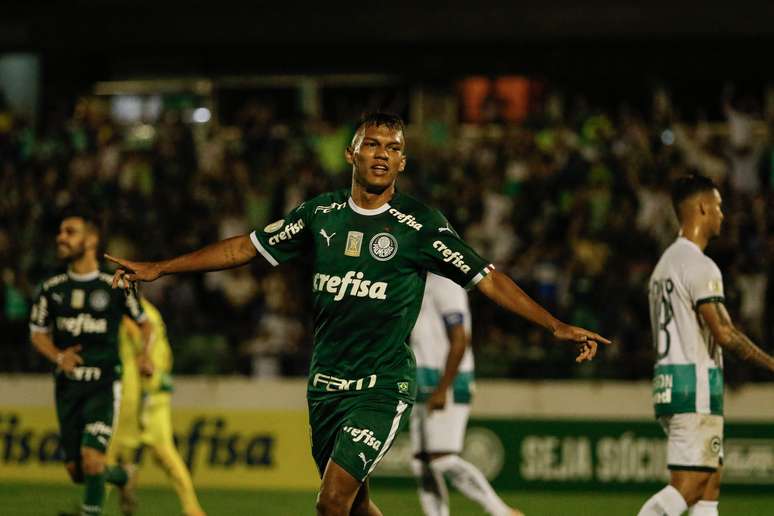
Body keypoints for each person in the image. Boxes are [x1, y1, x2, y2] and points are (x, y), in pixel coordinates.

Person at [105, 112, 609, 516]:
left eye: (393, 148)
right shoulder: (319, 216)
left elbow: (489, 278)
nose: (382, 154)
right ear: (352, 153)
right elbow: (244, 249)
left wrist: (556, 325)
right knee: (357, 505)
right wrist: (159, 268)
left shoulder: (420, 227)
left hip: (382, 384)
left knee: (331, 501)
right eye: (373, 144)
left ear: (403, 162)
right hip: (325, 385)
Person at [638, 174, 774, 516]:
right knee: (690, 486)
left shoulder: (664, 265)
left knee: (709, 487)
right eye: (718, 206)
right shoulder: (698, 265)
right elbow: (724, 333)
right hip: (693, 385)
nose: (722, 215)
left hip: (673, 383)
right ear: (702, 207)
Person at [29, 210, 152, 516]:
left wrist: (144, 353)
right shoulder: (51, 289)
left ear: (92, 239)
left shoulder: (115, 285)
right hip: (68, 386)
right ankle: (124, 476)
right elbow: (37, 332)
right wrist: (58, 356)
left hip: (104, 383)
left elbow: (144, 323)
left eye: (70, 232)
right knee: (79, 472)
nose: (61, 237)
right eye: (60, 231)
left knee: (93, 458)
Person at [409, 272, 521, 516]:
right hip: (421, 379)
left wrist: (443, 387)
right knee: (421, 462)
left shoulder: (446, 282)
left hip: (446, 380)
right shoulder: (418, 281)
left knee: (442, 459)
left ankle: (502, 512)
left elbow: (460, 339)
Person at [108, 296, 207, 516]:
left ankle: (97, 504)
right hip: (146, 391)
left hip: (141, 393)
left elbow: (145, 343)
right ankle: (192, 508)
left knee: (111, 453)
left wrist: (147, 365)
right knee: (160, 454)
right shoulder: (147, 312)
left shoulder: (137, 315)